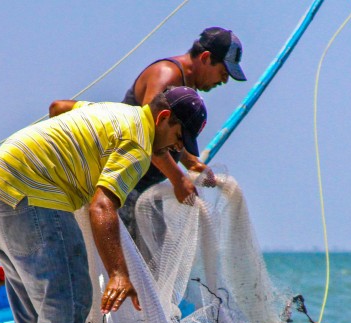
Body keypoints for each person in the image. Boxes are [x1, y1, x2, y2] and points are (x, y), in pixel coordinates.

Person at [0, 87, 208, 323]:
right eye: (178, 137)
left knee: (33, 305)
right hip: (35, 192)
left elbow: (59, 106)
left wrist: (67, 152)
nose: (176, 147)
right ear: (164, 118)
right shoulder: (137, 145)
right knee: (68, 304)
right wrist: (118, 273)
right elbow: (101, 207)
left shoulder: (113, 112)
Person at [50, 26, 247, 240]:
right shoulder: (168, 75)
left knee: (154, 262)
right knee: (138, 263)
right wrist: (179, 181)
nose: (224, 81)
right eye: (224, 73)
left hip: (143, 187)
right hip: (123, 182)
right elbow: (150, 134)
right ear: (206, 58)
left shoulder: (185, 85)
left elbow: (168, 136)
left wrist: (191, 163)